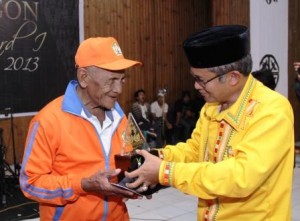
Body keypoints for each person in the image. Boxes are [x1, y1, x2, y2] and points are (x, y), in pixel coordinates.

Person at [125, 25, 294, 220]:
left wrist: (165, 171)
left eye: (201, 80)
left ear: (233, 78)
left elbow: (240, 176)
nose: (196, 86)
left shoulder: (272, 110)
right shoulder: (212, 106)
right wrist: (156, 157)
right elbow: (195, 150)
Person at [19, 37, 143, 221]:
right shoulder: (48, 120)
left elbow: (135, 154)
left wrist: (139, 180)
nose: (118, 89)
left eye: (122, 80)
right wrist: (82, 184)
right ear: (84, 77)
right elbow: (30, 184)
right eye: (111, 80)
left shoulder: (120, 116)